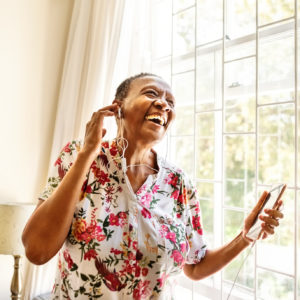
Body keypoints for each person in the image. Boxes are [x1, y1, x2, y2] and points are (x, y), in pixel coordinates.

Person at [22, 73, 284, 300]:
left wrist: (245, 236)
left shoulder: (178, 183)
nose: (164, 104)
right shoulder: (77, 156)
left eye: (171, 102)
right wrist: (87, 154)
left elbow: (195, 266)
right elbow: (37, 250)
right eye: (151, 93)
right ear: (118, 107)